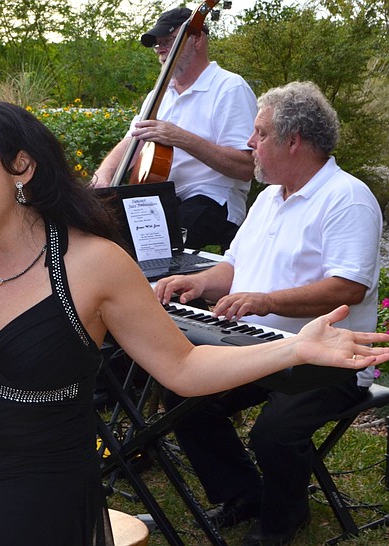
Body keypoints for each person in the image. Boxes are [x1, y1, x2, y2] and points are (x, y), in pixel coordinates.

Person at [0, 100, 389, 545]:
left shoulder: (93, 264)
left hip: (44, 486)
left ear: (21, 165)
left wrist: (292, 350)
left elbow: (184, 364)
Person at [155, 81, 383, 546]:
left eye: (259, 133)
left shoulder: (347, 197)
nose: (250, 144)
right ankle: (244, 496)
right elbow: (235, 266)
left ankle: (281, 524)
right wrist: (199, 282)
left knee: (275, 433)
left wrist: (266, 301)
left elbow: (348, 287)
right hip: (257, 346)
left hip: (328, 359)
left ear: (293, 140)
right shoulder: (267, 197)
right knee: (182, 397)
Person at [92, 7, 257, 251]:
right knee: (100, 229)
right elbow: (132, 142)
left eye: (169, 40)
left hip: (212, 198)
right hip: (161, 199)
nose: (160, 48)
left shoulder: (229, 88)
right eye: (157, 43)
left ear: (198, 39)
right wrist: (103, 175)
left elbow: (246, 167)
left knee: (153, 242)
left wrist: (180, 138)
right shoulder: (159, 94)